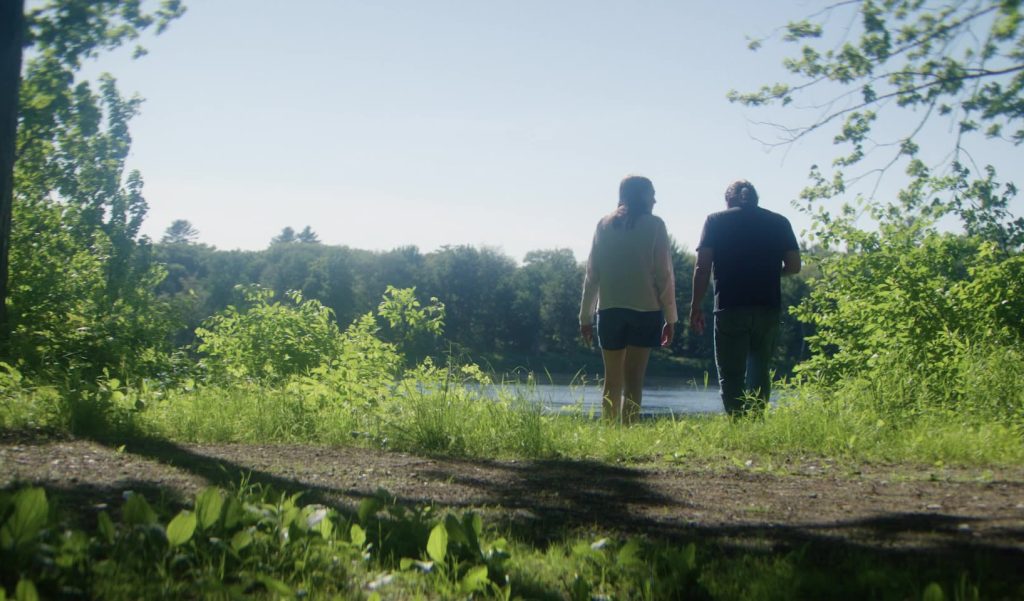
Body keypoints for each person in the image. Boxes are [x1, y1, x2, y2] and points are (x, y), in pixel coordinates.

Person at [689, 180, 801, 417]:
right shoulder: (779, 222)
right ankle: (756, 419)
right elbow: (794, 266)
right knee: (760, 367)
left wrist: (696, 305)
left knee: (731, 372)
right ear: (756, 200)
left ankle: (737, 422)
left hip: (730, 306)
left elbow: (702, 267)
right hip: (767, 306)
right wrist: (770, 271)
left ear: (728, 202)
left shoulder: (715, 221)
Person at [579, 175, 677, 424]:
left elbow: (592, 274)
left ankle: (610, 434)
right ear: (641, 196)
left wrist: (585, 317)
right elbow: (664, 274)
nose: (655, 199)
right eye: (651, 193)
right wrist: (670, 317)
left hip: (609, 311)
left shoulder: (603, 224)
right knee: (634, 380)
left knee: (611, 380)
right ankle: (628, 433)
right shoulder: (655, 225)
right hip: (646, 311)